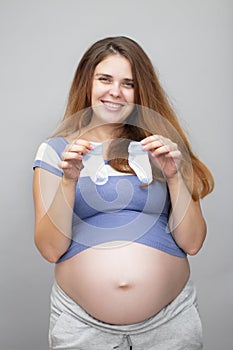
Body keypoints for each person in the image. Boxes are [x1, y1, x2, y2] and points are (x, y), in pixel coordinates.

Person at [32, 36, 214, 350]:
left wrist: (174, 177)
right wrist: (69, 181)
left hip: (168, 324)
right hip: (83, 327)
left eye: (128, 83)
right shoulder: (56, 152)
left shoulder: (161, 148)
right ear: (86, 82)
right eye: (105, 79)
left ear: (141, 90)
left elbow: (193, 242)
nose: (115, 92)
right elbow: (50, 249)